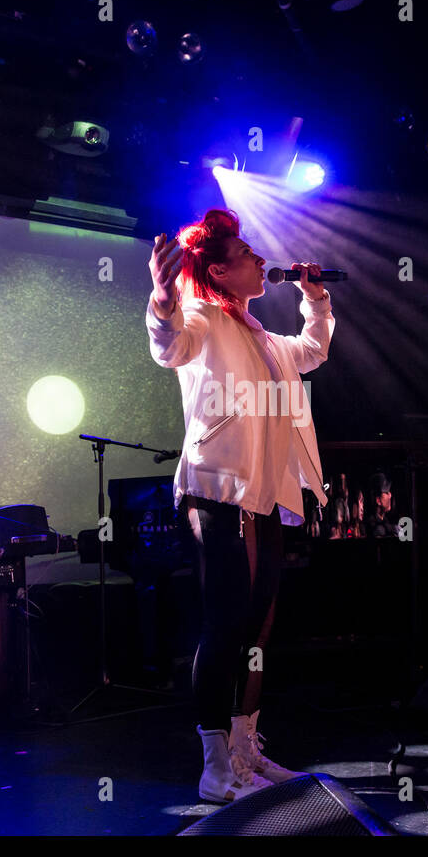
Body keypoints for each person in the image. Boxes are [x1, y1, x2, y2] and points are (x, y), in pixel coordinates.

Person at [145, 208, 334, 802]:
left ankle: (247, 749)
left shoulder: (262, 337)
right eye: (247, 254)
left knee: (258, 625)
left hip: (265, 493)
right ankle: (215, 765)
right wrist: (160, 298)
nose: (259, 259)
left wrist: (317, 301)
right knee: (227, 623)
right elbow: (170, 347)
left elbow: (312, 352)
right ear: (221, 272)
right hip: (217, 487)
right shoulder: (199, 314)